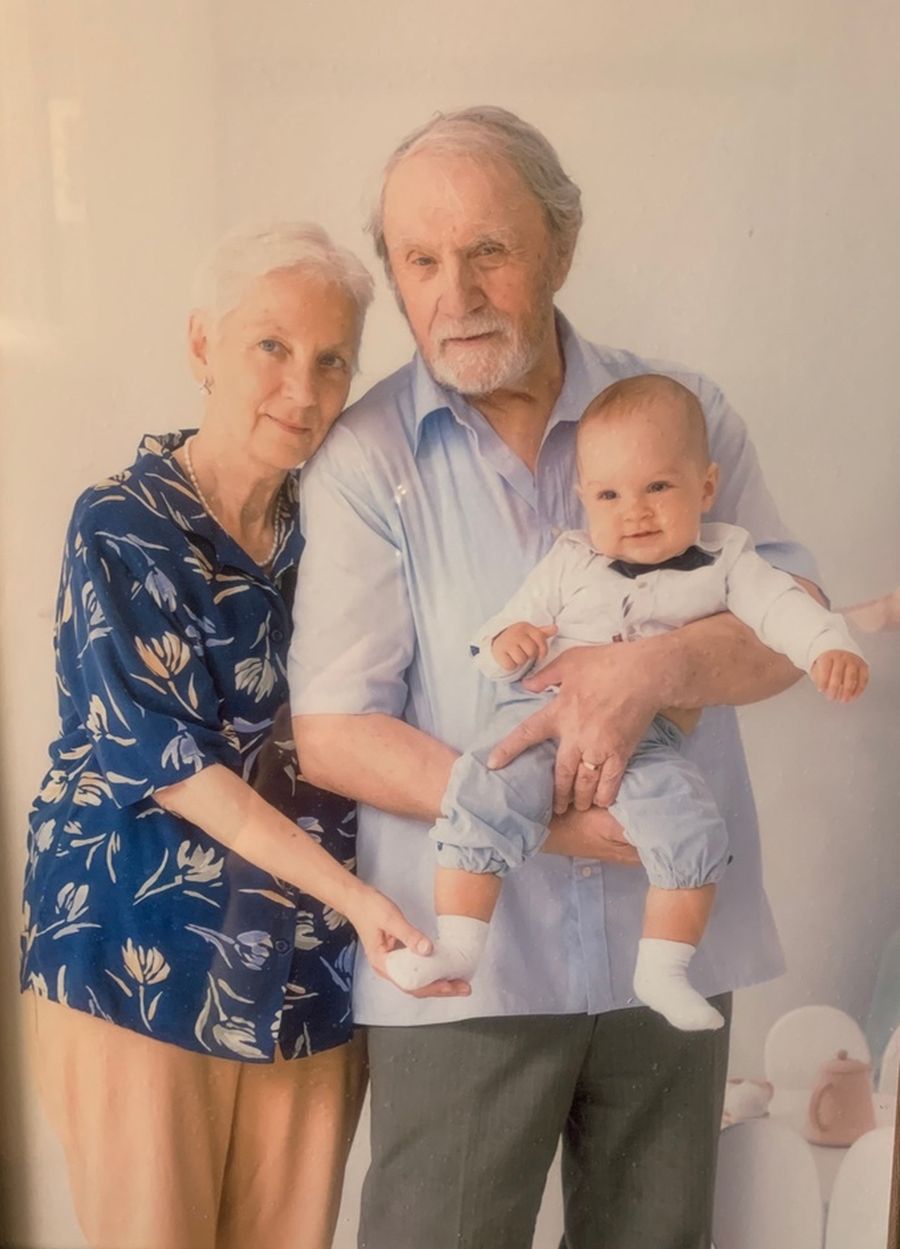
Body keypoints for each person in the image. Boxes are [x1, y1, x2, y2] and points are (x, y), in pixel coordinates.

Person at [290, 107, 826, 1249]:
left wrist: (656, 666)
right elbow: (333, 728)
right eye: (421, 260)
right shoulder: (365, 462)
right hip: (467, 970)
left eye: (489, 249)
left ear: (561, 246)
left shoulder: (684, 414)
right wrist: (548, 827)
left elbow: (793, 625)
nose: (456, 292)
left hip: (669, 953)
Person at [19, 222, 435, 1249]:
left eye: (332, 360)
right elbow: (176, 770)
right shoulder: (121, 522)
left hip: (308, 975)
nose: (304, 386)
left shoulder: (342, 530)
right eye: (272, 347)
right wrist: (357, 898)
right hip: (137, 959)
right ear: (203, 343)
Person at [385, 374, 868, 1032]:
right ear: (584, 498)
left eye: (658, 487)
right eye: (610, 495)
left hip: (647, 738)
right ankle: (459, 944)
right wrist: (508, 644)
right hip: (538, 722)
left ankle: (663, 968)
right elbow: (500, 631)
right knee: (482, 787)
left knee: (690, 825)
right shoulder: (569, 559)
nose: (634, 511)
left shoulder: (727, 559)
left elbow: (784, 607)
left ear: (705, 487)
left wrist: (827, 647)